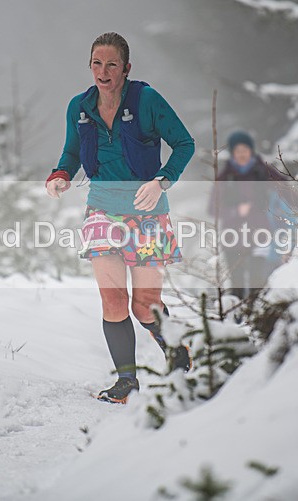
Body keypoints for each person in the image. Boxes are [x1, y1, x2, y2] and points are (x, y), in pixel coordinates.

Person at [45, 32, 195, 404]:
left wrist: (162, 181)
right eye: (97, 63)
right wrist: (60, 175)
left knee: (145, 305)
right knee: (113, 302)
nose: (104, 71)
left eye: (112, 64)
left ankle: (179, 357)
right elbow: (71, 154)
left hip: (147, 211)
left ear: (127, 68)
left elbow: (185, 143)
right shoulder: (79, 107)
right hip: (102, 211)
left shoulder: (146, 100)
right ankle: (126, 382)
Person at [210, 130, 298, 303]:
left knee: (257, 281)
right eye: (238, 151)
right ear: (232, 153)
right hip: (232, 236)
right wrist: (236, 211)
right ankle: (236, 319)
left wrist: (295, 209)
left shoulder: (264, 171)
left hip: (260, 234)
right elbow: (213, 209)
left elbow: (289, 194)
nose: (242, 155)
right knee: (236, 283)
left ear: (251, 150)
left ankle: (255, 316)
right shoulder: (225, 176)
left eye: (245, 150)